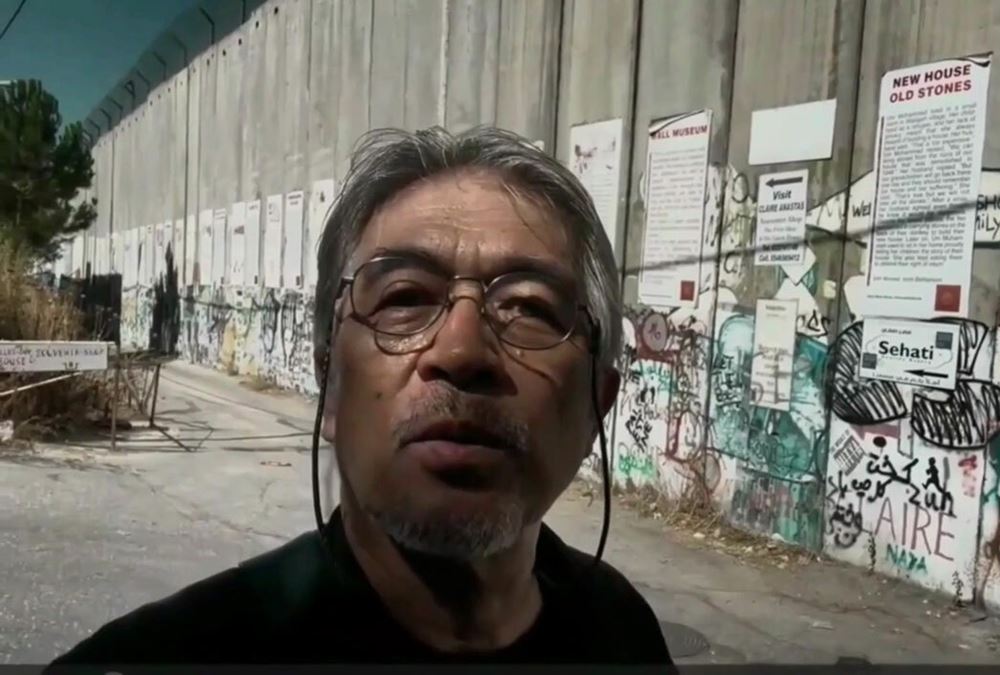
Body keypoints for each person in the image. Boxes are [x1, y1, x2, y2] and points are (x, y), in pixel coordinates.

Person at [51, 127, 673, 666]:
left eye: (529, 308)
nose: (461, 351)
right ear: (330, 382)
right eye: (404, 298)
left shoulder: (622, 633)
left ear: (597, 403)